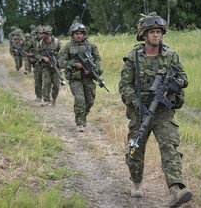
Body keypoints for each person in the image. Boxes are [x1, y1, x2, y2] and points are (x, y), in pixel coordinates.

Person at [118, 12, 192, 207]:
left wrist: (175, 84)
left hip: (163, 112)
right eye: (152, 32)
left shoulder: (171, 56)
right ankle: (136, 182)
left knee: (169, 146)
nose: (156, 35)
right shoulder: (133, 57)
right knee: (135, 149)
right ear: (143, 34)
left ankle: (176, 188)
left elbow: (184, 78)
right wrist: (137, 103)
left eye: (158, 32)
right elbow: (124, 87)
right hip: (140, 111)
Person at [58, 23, 103, 132]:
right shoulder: (67, 47)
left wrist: (94, 69)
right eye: (76, 34)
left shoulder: (91, 46)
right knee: (79, 99)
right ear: (72, 34)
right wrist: (74, 64)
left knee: (90, 100)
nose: (79, 36)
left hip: (88, 78)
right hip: (75, 79)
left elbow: (98, 59)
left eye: (81, 33)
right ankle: (79, 122)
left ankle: (83, 115)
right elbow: (61, 62)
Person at [34, 25, 62, 107]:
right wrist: (43, 58)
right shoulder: (40, 43)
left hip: (56, 66)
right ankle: (46, 100)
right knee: (46, 82)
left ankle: (54, 99)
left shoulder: (57, 42)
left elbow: (63, 53)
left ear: (48, 34)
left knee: (56, 84)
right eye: (41, 33)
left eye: (43, 33)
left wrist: (57, 60)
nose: (41, 35)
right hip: (45, 66)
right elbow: (36, 53)